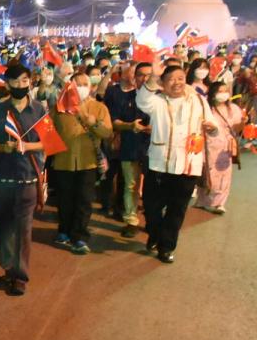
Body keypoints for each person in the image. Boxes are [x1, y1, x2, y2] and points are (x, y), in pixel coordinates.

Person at [136, 65, 216, 263]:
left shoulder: (199, 101)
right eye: (171, 79)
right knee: (151, 206)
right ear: (163, 83)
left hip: (188, 164)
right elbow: (141, 100)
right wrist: (153, 78)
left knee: (177, 208)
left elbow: (212, 126)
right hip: (159, 163)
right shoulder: (157, 101)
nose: (177, 82)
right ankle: (155, 233)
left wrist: (211, 128)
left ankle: (167, 246)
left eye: (180, 78)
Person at [0, 64, 48, 296]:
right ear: (7, 84)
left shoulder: (39, 110)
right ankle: (8, 269)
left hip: (27, 178)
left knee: (23, 230)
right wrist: (4, 148)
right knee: (5, 228)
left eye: (25, 81)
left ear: (30, 82)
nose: (21, 85)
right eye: (16, 81)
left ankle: (20, 277)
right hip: (2, 179)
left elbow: (49, 142)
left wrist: (27, 146)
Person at [50, 71, 113, 254]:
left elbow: (107, 133)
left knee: (84, 200)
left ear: (91, 87)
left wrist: (92, 123)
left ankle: (79, 236)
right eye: (77, 84)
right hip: (63, 161)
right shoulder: (59, 108)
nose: (81, 88)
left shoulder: (99, 108)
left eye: (85, 84)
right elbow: (49, 131)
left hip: (88, 162)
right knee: (64, 199)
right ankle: (64, 230)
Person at [104, 62, 152, 238]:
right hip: (130, 147)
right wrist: (130, 125)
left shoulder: (161, 99)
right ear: (134, 77)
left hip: (154, 150)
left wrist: (154, 129)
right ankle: (131, 220)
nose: (145, 79)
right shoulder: (125, 97)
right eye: (141, 75)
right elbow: (114, 121)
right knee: (131, 185)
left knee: (152, 187)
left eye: (149, 75)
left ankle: (152, 220)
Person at [196, 80, 243, 214]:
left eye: (225, 91)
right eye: (220, 91)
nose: (223, 94)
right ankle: (202, 200)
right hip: (207, 145)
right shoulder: (206, 109)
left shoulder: (233, 109)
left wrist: (243, 123)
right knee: (206, 173)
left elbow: (237, 128)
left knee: (224, 174)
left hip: (225, 147)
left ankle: (220, 203)